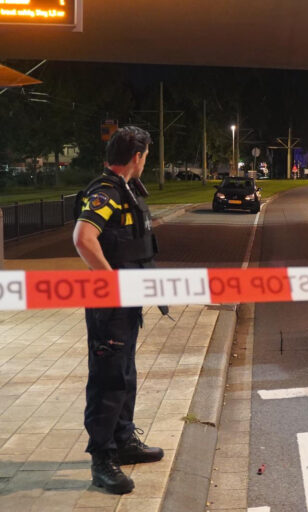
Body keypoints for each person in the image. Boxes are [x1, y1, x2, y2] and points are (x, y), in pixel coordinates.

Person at [73, 126, 166, 495]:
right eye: (146, 157)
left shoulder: (125, 190)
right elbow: (83, 237)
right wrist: (110, 281)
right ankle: (102, 460)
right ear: (138, 157)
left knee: (124, 372)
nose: (146, 162)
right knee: (109, 378)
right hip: (109, 304)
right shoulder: (106, 192)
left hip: (125, 304)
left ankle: (124, 441)